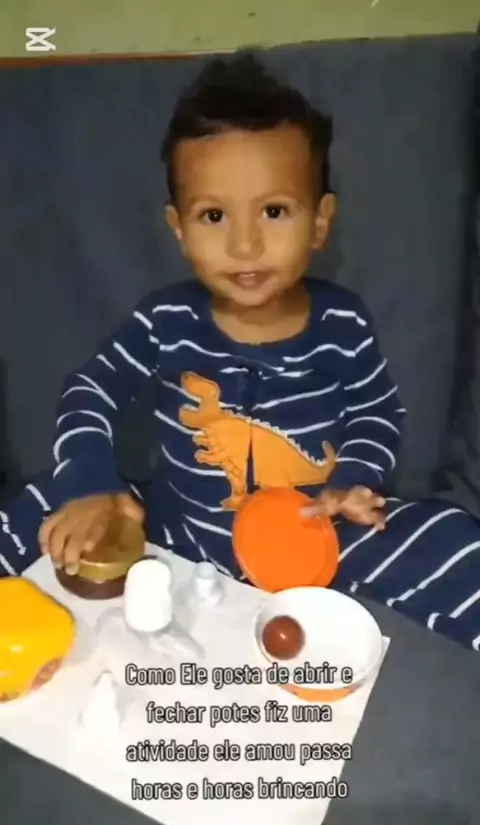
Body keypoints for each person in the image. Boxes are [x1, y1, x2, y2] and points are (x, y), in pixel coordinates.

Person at [2, 53, 480, 651]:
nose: (245, 244)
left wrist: (352, 483)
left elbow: (376, 412)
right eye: (214, 215)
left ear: (320, 222)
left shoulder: (342, 321)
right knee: (48, 498)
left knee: (446, 535)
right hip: (178, 533)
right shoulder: (166, 320)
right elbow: (89, 391)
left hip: (313, 532)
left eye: (274, 211)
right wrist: (90, 483)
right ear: (179, 228)